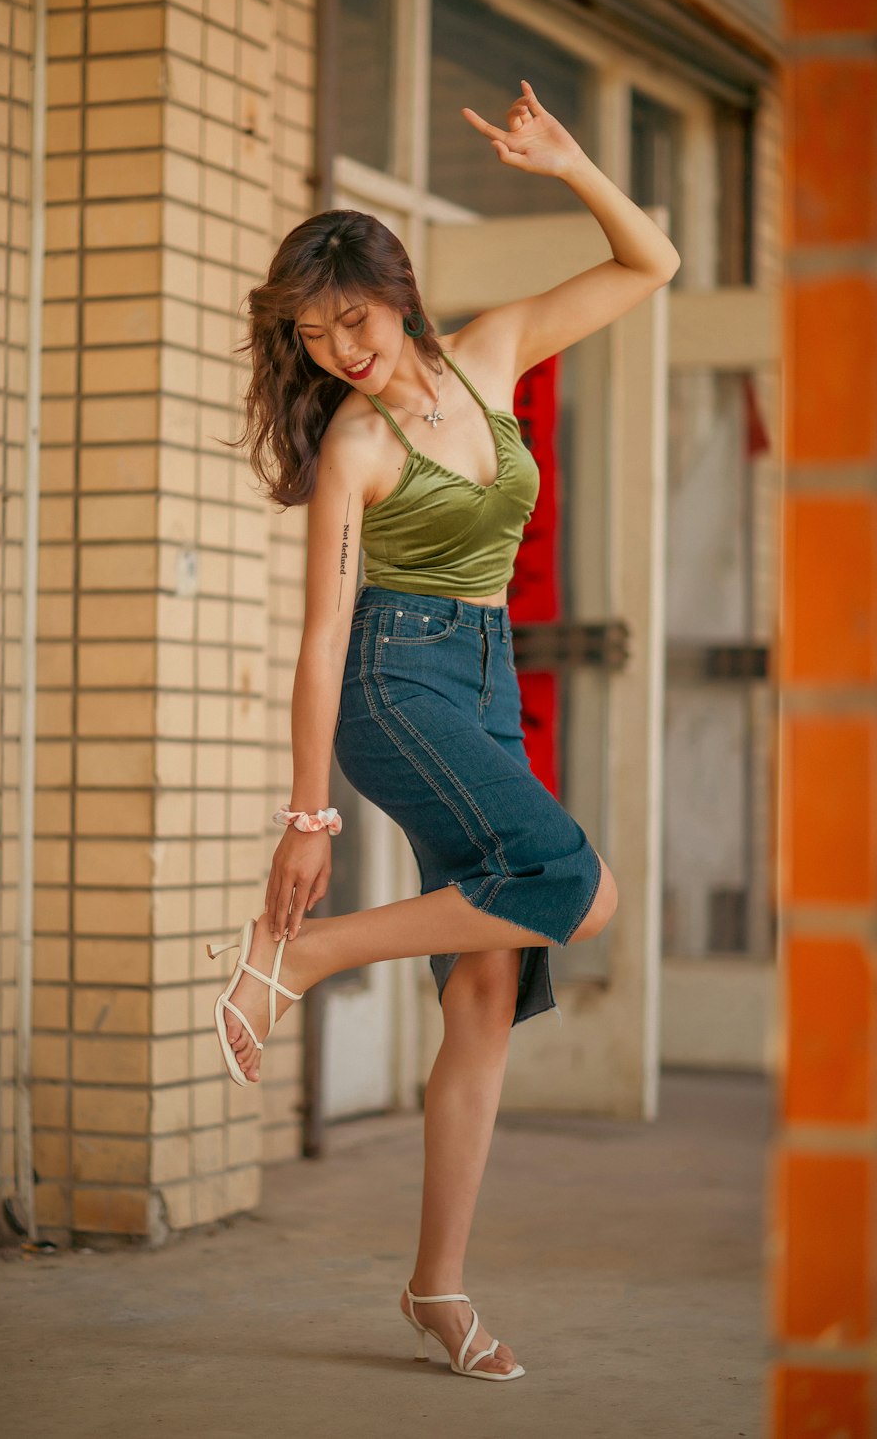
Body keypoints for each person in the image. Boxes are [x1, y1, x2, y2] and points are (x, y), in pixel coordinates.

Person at [209, 78, 680, 1382]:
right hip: (396, 686)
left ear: (397, 293)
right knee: (575, 889)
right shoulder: (356, 448)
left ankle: (438, 1290)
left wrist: (575, 163)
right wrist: (306, 823)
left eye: (350, 320)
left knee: (485, 984)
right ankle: (303, 958)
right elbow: (319, 642)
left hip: (480, 679)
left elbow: (655, 259)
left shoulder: (496, 349)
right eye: (312, 336)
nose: (340, 350)